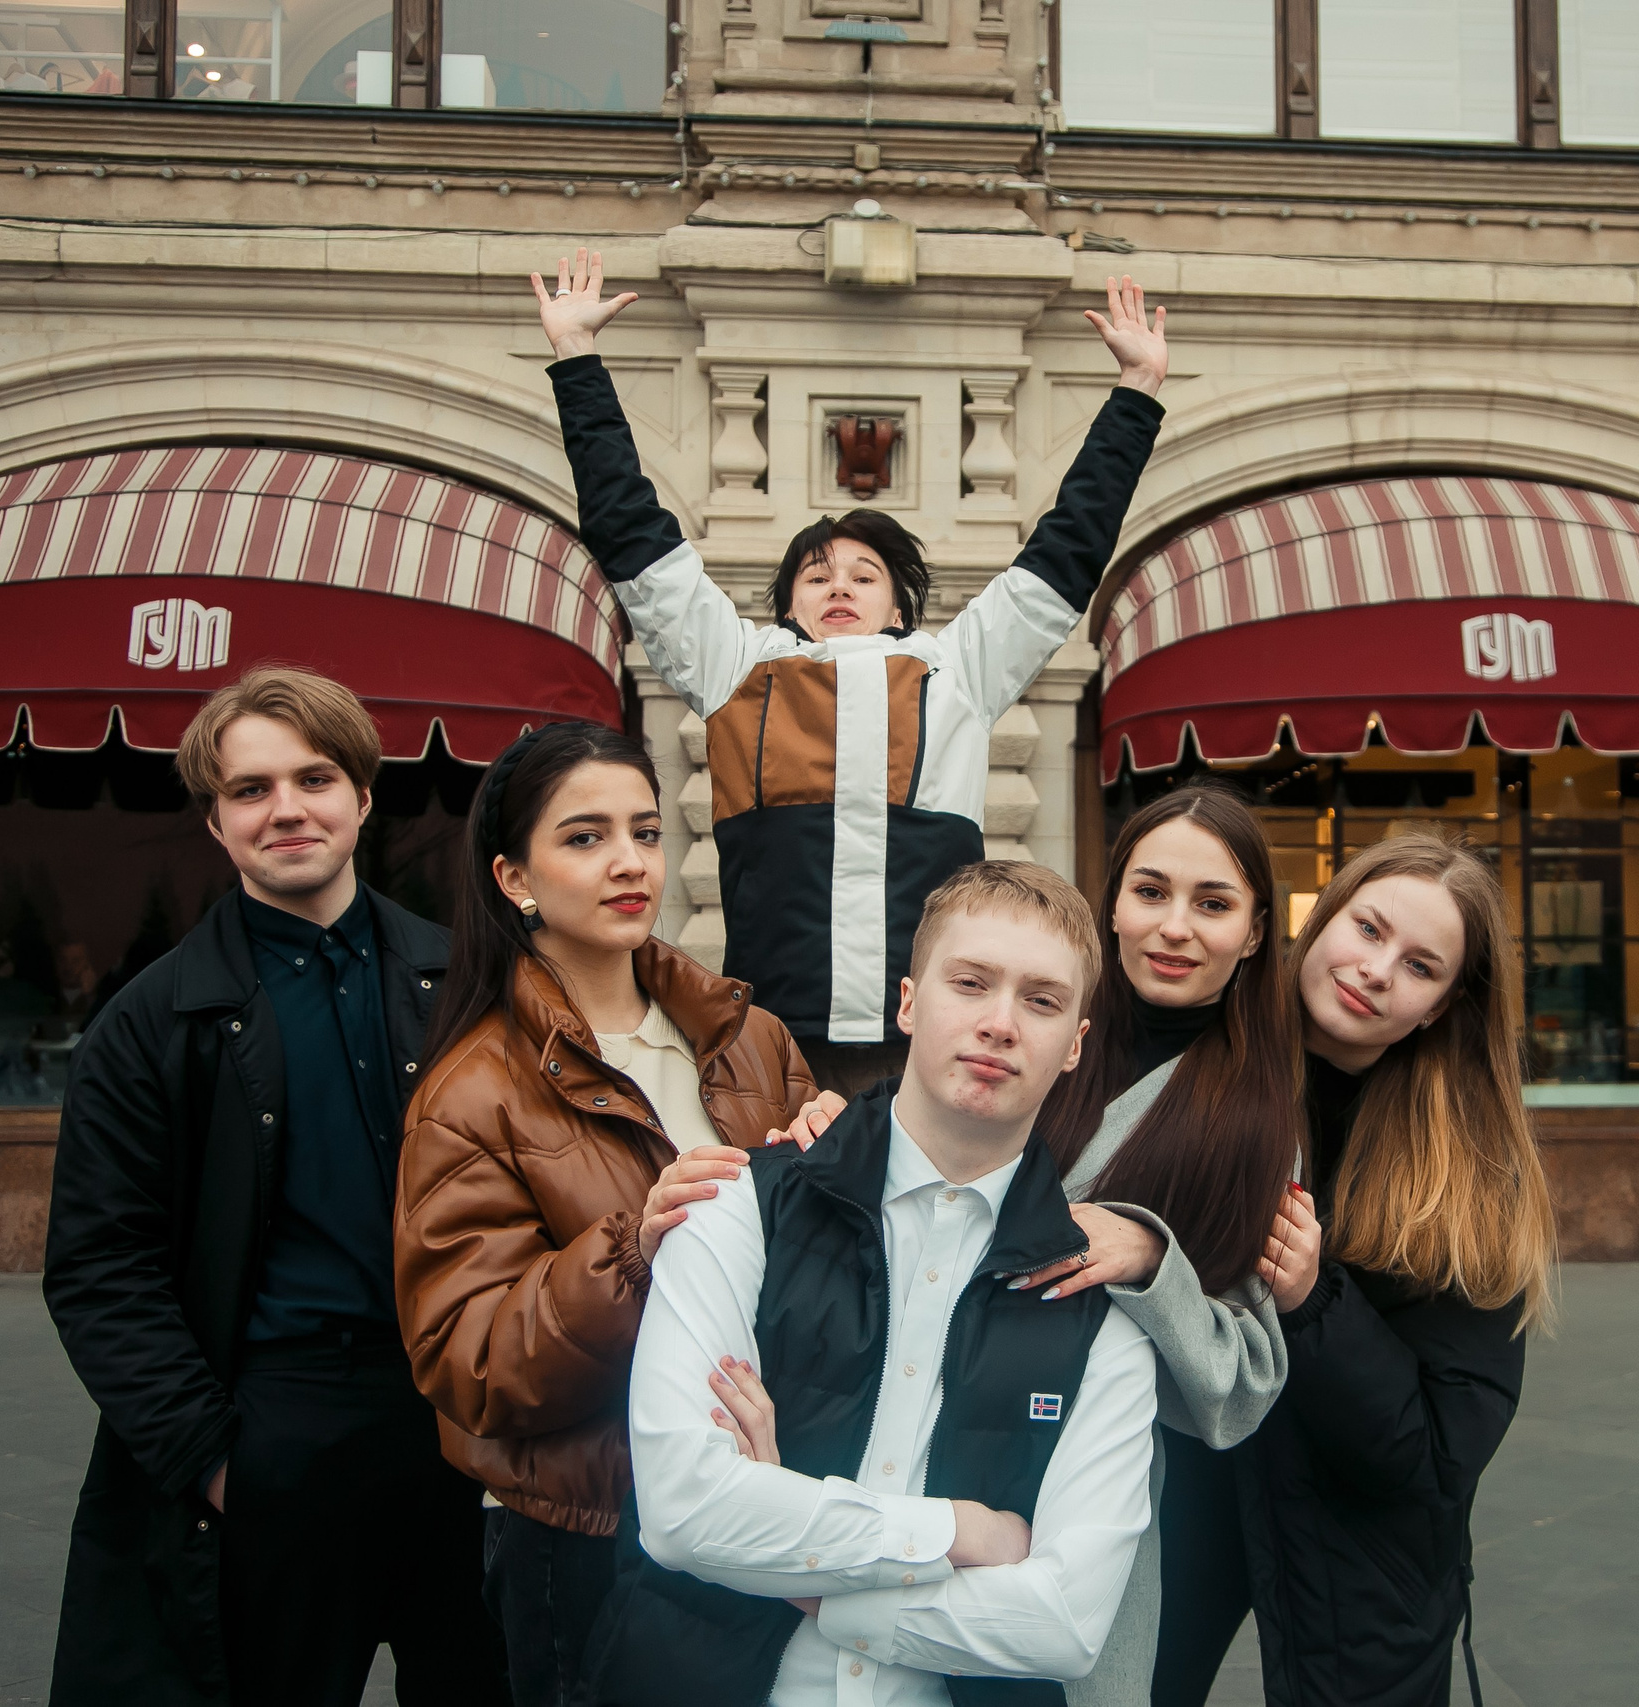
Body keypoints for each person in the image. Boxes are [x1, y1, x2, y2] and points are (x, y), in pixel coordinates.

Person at [533, 250, 1170, 1098]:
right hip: (769, 1047)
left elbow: (1069, 546)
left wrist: (1137, 394)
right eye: (817, 573)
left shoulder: (959, 668)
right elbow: (631, 533)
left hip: (928, 1045)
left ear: (899, 607)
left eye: (864, 574)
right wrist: (576, 359)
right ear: (789, 602)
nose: (839, 585)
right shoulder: (736, 665)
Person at [41, 666, 509, 1707]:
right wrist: (211, 1459)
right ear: (215, 821)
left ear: (362, 796)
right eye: (250, 789)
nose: (286, 808)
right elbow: (97, 1268)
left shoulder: (470, 988)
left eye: (314, 778)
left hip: (463, 1426)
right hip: (272, 1431)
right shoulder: (151, 1021)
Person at [602, 861, 1162, 1705]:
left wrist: (786, 1544)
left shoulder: (1099, 1313)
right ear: (908, 1001)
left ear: (1076, 1044)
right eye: (970, 982)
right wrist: (964, 1532)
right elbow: (683, 1511)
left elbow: (1065, 1625)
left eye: (1042, 1001)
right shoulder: (734, 1206)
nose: (1000, 1022)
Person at [391, 721, 814, 1707]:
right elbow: (469, 1360)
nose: (628, 863)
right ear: (514, 878)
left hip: (762, 1495)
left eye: (644, 832)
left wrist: (840, 1167)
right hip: (583, 1529)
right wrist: (633, 1248)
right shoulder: (472, 1089)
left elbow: (819, 1276)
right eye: (583, 838)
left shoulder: (751, 1040)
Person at [1167, 833, 1558, 1707]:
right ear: (1320, 919)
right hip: (1179, 1474)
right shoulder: (1194, 1052)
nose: (1378, 969)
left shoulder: (1467, 1173)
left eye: (1420, 966)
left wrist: (1315, 1300)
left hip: (1359, 1544)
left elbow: (1437, 1454)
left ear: (1440, 1007)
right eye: (1368, 928)